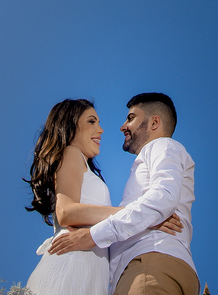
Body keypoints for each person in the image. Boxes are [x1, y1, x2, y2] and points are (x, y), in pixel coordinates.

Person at [49, 93, 197, 295]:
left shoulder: (162, 146)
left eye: (131, 118)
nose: (123, 126)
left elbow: (162, 199)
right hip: (149, 266)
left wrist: (92, 236)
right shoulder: (148, 159)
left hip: (149, 264)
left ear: (154, 122)